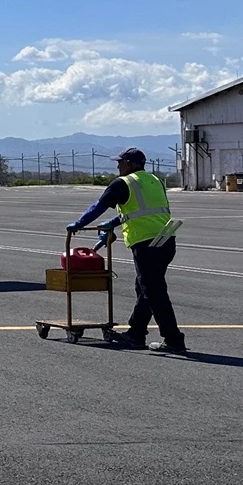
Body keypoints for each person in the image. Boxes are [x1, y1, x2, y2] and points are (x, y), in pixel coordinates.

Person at [68, 147, 186, 353]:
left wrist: (79, 223)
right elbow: (140, 212)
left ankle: (174, 339)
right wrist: (113, 224)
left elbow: (99, 205)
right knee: (146, 289)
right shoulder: (154, 180)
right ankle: (136, 333)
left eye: (120, 162)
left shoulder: (123, 183)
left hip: (146, 243)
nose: (117, 166)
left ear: (129, 164)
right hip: (166, 239)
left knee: (154, 292)